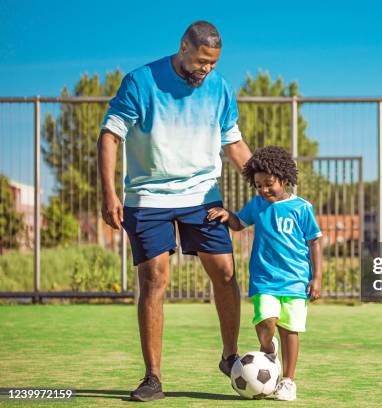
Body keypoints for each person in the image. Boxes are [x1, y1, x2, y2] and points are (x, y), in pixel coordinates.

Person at [97, 20, 252, 402]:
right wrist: (109, 193)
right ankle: (152, 377)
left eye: (213, 64)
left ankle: (230, 356)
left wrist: (266, 183)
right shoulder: (140, 82)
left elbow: (233, 145)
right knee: (155, 279)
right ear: (184, 47)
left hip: (202, 195)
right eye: (201, 61)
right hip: (148, 197)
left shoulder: (219, 88)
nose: (206, 70)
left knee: (226, 272)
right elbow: (110, 135)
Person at [207, 146, 323, 401]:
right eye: (258, 185)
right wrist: (229, 216)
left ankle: (289, 381)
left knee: (289, 330)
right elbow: (239, 223)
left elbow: (314, 241)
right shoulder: (257, 204)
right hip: (264, 280)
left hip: (295, 282)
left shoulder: (302, 208)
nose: (263, 190)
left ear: (284, 178)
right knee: (265, 322)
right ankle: (269, 351)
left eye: (269, 184)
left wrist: (317, 278)